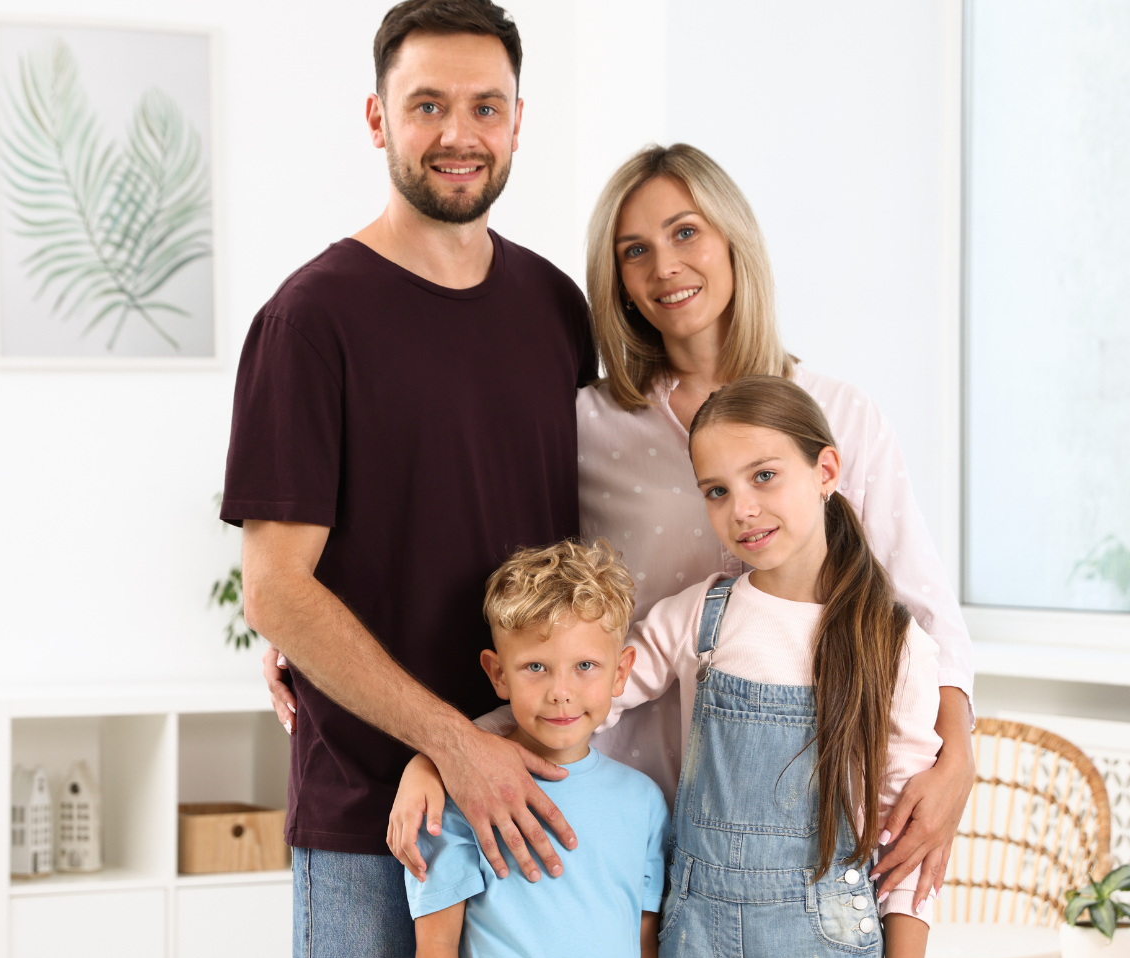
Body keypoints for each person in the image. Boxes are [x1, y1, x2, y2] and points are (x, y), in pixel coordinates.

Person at [388, 143, 976, 910]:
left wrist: (959, 754)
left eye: (686, 232)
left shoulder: (838, 415)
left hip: (793, 836)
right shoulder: (586, 425)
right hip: (614, 815)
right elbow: (498, 577)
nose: (665, 265)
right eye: (636, 251)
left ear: (732, 238)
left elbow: (924, 613)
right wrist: (432, 733)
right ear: (618, 280)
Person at [218, 2, 591, 958]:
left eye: (484, 106)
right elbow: (277, 584)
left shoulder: (553, 307)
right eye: (427, 105)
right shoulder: (311, 319)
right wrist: (446, 741)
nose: (457, 132)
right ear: (378, 117)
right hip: (376, 812)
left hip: (533, 794)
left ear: (519, 123)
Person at [636, 376, 930, 958]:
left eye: (764, 475)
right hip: (697, 949)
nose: (742, 509)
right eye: (716, 490)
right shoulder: (700, 618)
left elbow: (912, 862)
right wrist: (449, 748)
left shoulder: (892, 645)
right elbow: (574, 700)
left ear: (826, 471)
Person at [407, 540, 672, 958]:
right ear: (497, 674)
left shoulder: (644, 805)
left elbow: (642, 949)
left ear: (621, 671)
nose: (561, 691)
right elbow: (434, 949)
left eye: (585, 666)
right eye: (535, 668)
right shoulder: (458, 799)